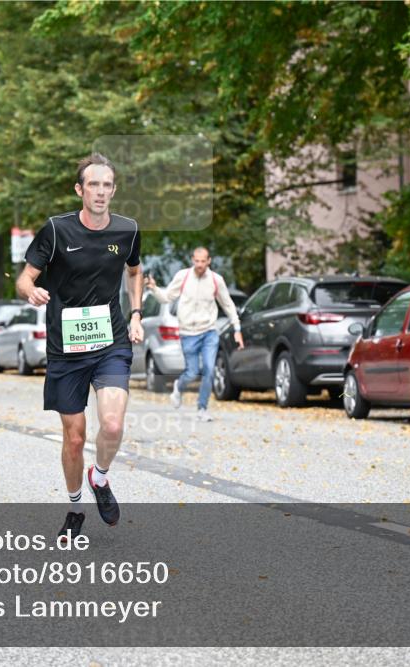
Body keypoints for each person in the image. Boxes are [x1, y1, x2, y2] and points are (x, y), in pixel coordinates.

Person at [16, 152, 144, 542]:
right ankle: (75, 509)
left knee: (113, 423)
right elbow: (24, 278)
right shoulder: (56, 231)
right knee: (74, 438)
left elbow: (135, 270)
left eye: (107, 185)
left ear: (114, 190)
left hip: (110, 341)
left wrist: (136, 313)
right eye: (93, 184)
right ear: (80, 190)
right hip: (65, 348)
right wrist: (31, 291)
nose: (101, 192)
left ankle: (99, 479)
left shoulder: (127, 230)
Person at [144, 247, 244, 421]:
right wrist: (154, 288)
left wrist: (237, 328)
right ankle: (179, 385)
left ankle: (202, 408)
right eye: (196, 261)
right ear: (192, 260)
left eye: (203, 261)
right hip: (188, 333)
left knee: (209, 369)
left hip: (209, 332)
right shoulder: (182, 277)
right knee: (192, 372)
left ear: (209, 261)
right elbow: (167, 297)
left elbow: (228, 305)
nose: (199, 265)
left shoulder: (215, 280)